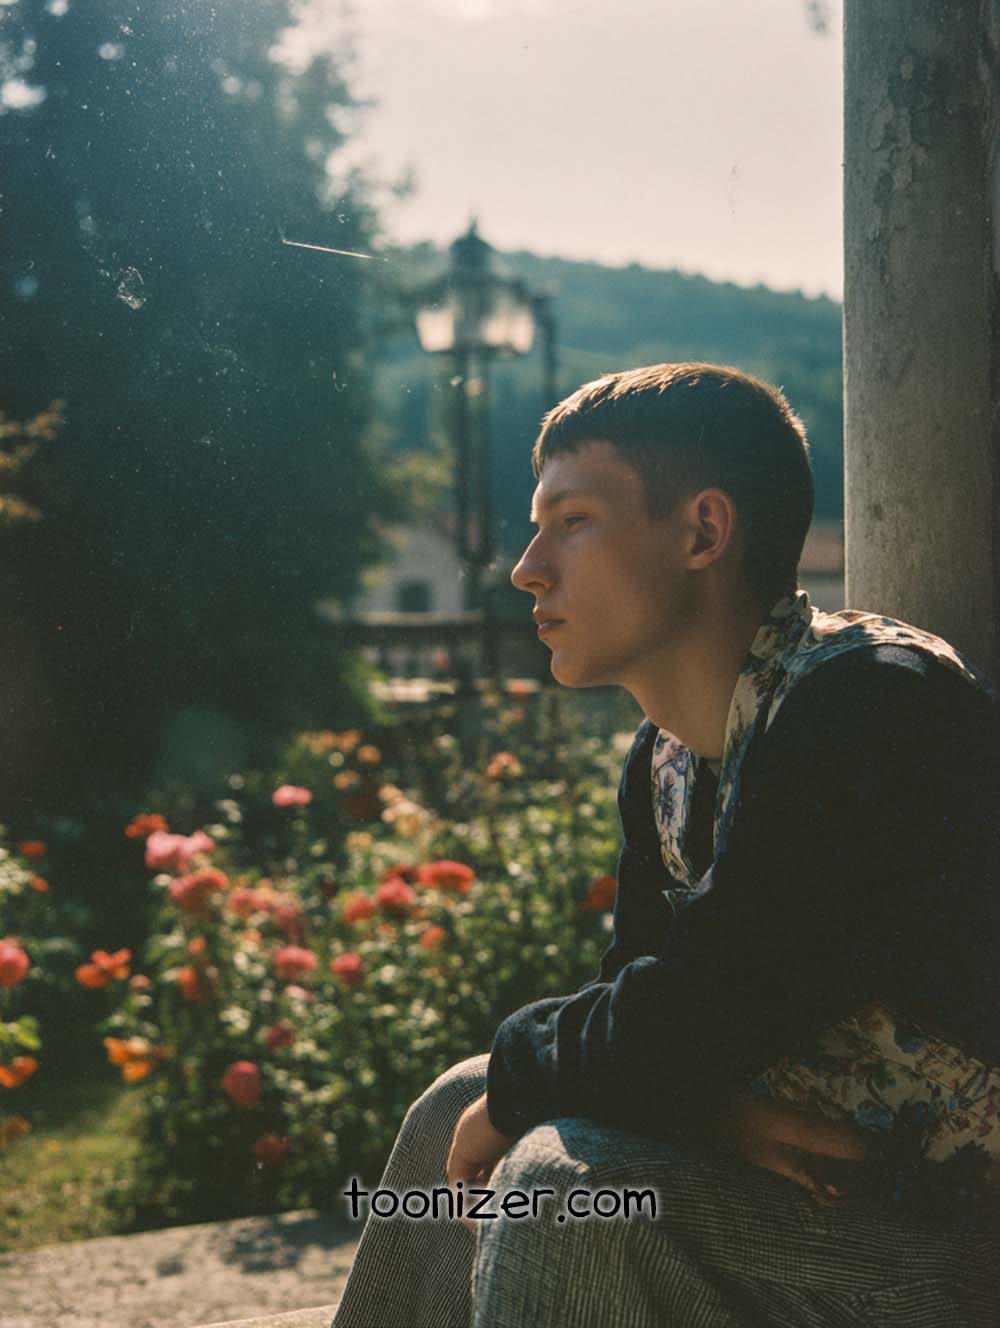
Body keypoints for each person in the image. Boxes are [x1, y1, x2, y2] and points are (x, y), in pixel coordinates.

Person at [332, 363, 999, 1328]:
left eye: (571, 522)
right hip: (849, 1196)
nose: (526, 568)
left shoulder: (873, 705)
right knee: (456, 1102)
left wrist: (559, 1073)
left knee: (561, 1190)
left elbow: (707, 1004)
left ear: (702, 533)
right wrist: (705, 1105)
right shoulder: (667, 761)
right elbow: (651, 1012)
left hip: (958, 1243)